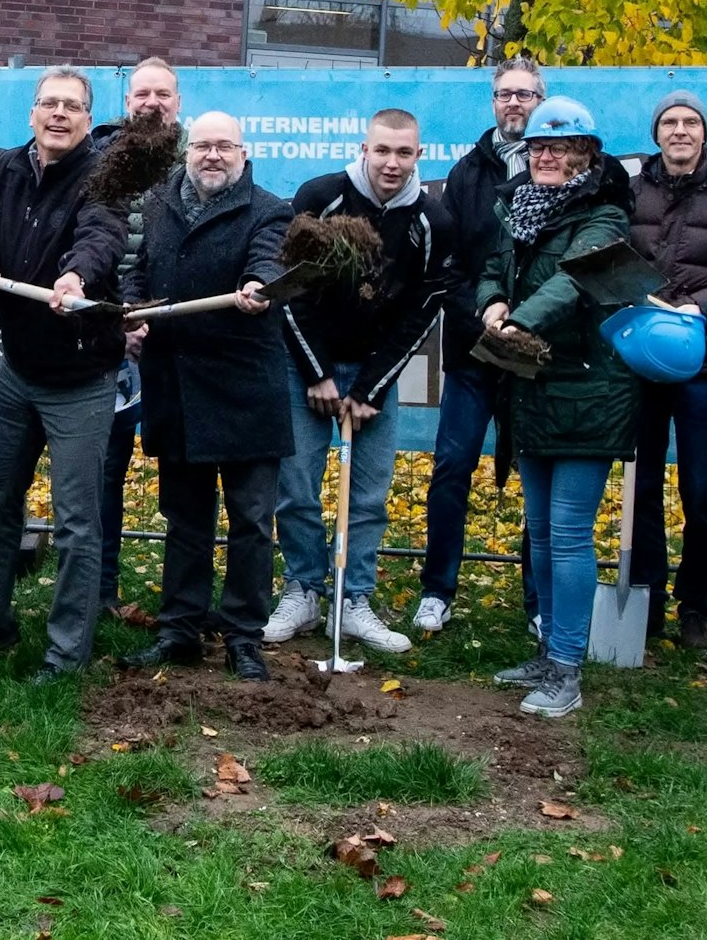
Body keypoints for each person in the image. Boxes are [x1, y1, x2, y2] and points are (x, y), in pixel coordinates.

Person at [0, 65, 124, 684]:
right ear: (32, 114)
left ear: (87, 118)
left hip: (81, 376)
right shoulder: (7, 170)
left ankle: (66, 650)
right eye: (50, 103)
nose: (59, 114)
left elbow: (102, 236)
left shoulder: (103, 176)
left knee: (76, 521)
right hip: (17, 370)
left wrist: (77, 277)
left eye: (73, 106)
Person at [266, 109, 454, 655]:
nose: (392, 163)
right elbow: (290, 288)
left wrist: (369, 389)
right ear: (364, 148)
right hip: (306, 369)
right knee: (296, 486)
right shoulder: (320, 195)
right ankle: (303, 590)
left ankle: (354, 599)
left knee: (369, 494)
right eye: (383, 151)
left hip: (373, 374)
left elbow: (422, 312)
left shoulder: (432, 222)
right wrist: (317, 374)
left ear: (419, 155)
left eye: (404, 153)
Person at [480, 96, 637, 717]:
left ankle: (567, 669)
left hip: (591, 392)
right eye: (540, 147)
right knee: (541, 535)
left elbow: (574, 281)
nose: (546, 156)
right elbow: (497, 266)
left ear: (586, 156)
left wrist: (517, 320)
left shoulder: (606, 216)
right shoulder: (517, 209)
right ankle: (547, 655)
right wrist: (492, 302)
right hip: (535, 388)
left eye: (561, 148)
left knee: (569, 534)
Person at [119, 112, 290, 681]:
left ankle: (244, 635)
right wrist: (134, 314)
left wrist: (257, 287)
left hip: (245, 389)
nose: (212, 156)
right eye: (203, 147)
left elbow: (269, 263)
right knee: (184, 519)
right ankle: (179, 630)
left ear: (243, 153)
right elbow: (137, 273)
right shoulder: (159, 203)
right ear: (187, 152)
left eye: (224, 147)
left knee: (249, 521)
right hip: (176, 386)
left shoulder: (270, 209)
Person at [415, 57, 545, 634]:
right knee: (451, 467)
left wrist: (528, 326)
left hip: (539, 355)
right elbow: (448, 265)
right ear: (492, 101)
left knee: (541, 476)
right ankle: (437, 590)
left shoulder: (561, 166)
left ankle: (539, 604)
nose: (514, 103)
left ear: (542, 100)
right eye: (504, 94)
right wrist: (481, 321)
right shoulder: (467, 172)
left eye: (525, 94)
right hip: (473, 350)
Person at [97, 58, 184, 610]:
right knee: (103, 470)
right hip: (109, 337)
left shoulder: (202, 157)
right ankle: (99, 591)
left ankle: (180, 599)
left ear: (179, 103)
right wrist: (118, 318)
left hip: (176, 343)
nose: (152, 103)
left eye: (163, 94)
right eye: (142, 94)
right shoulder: (102, 158)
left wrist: (156, 316)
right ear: (128, 102)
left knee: (182, 475)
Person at [626, 89, 707, 648]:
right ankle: (644, 600)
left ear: (703, 133)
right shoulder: (632, 191)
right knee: (641, 485)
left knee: (702, 488)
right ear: (657, 134)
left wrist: (700, 307)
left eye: (691, 122)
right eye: (670, 122)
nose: (680, 130)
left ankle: (698, 604)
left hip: (702, 358)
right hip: (641, 357)